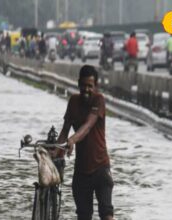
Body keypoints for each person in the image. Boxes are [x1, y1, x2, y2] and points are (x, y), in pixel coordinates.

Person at [57, 65, 114, 220]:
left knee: (106, 213)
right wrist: (55, 153)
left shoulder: (99, 100)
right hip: (81, 171)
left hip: (101, 167)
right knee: (83, 215)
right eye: (83, 85)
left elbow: (88, 125)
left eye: (90, 86)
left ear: (95, 86)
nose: (86, 89)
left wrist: (72, 140)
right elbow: (64, 131)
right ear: (78, 84)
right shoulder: (73, 101)